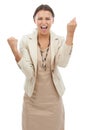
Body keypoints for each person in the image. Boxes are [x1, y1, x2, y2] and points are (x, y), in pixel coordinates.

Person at [7, 4, 77, 130]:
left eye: (47, 18)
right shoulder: (26, 41)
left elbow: (63, 62)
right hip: (32, 102)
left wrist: (70, 35)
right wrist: (14, 51)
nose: (43, 22)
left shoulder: (59, 40)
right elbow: (29, 73)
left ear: (53, 21)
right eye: (40, 18)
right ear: (34, 20)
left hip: (54, 103)